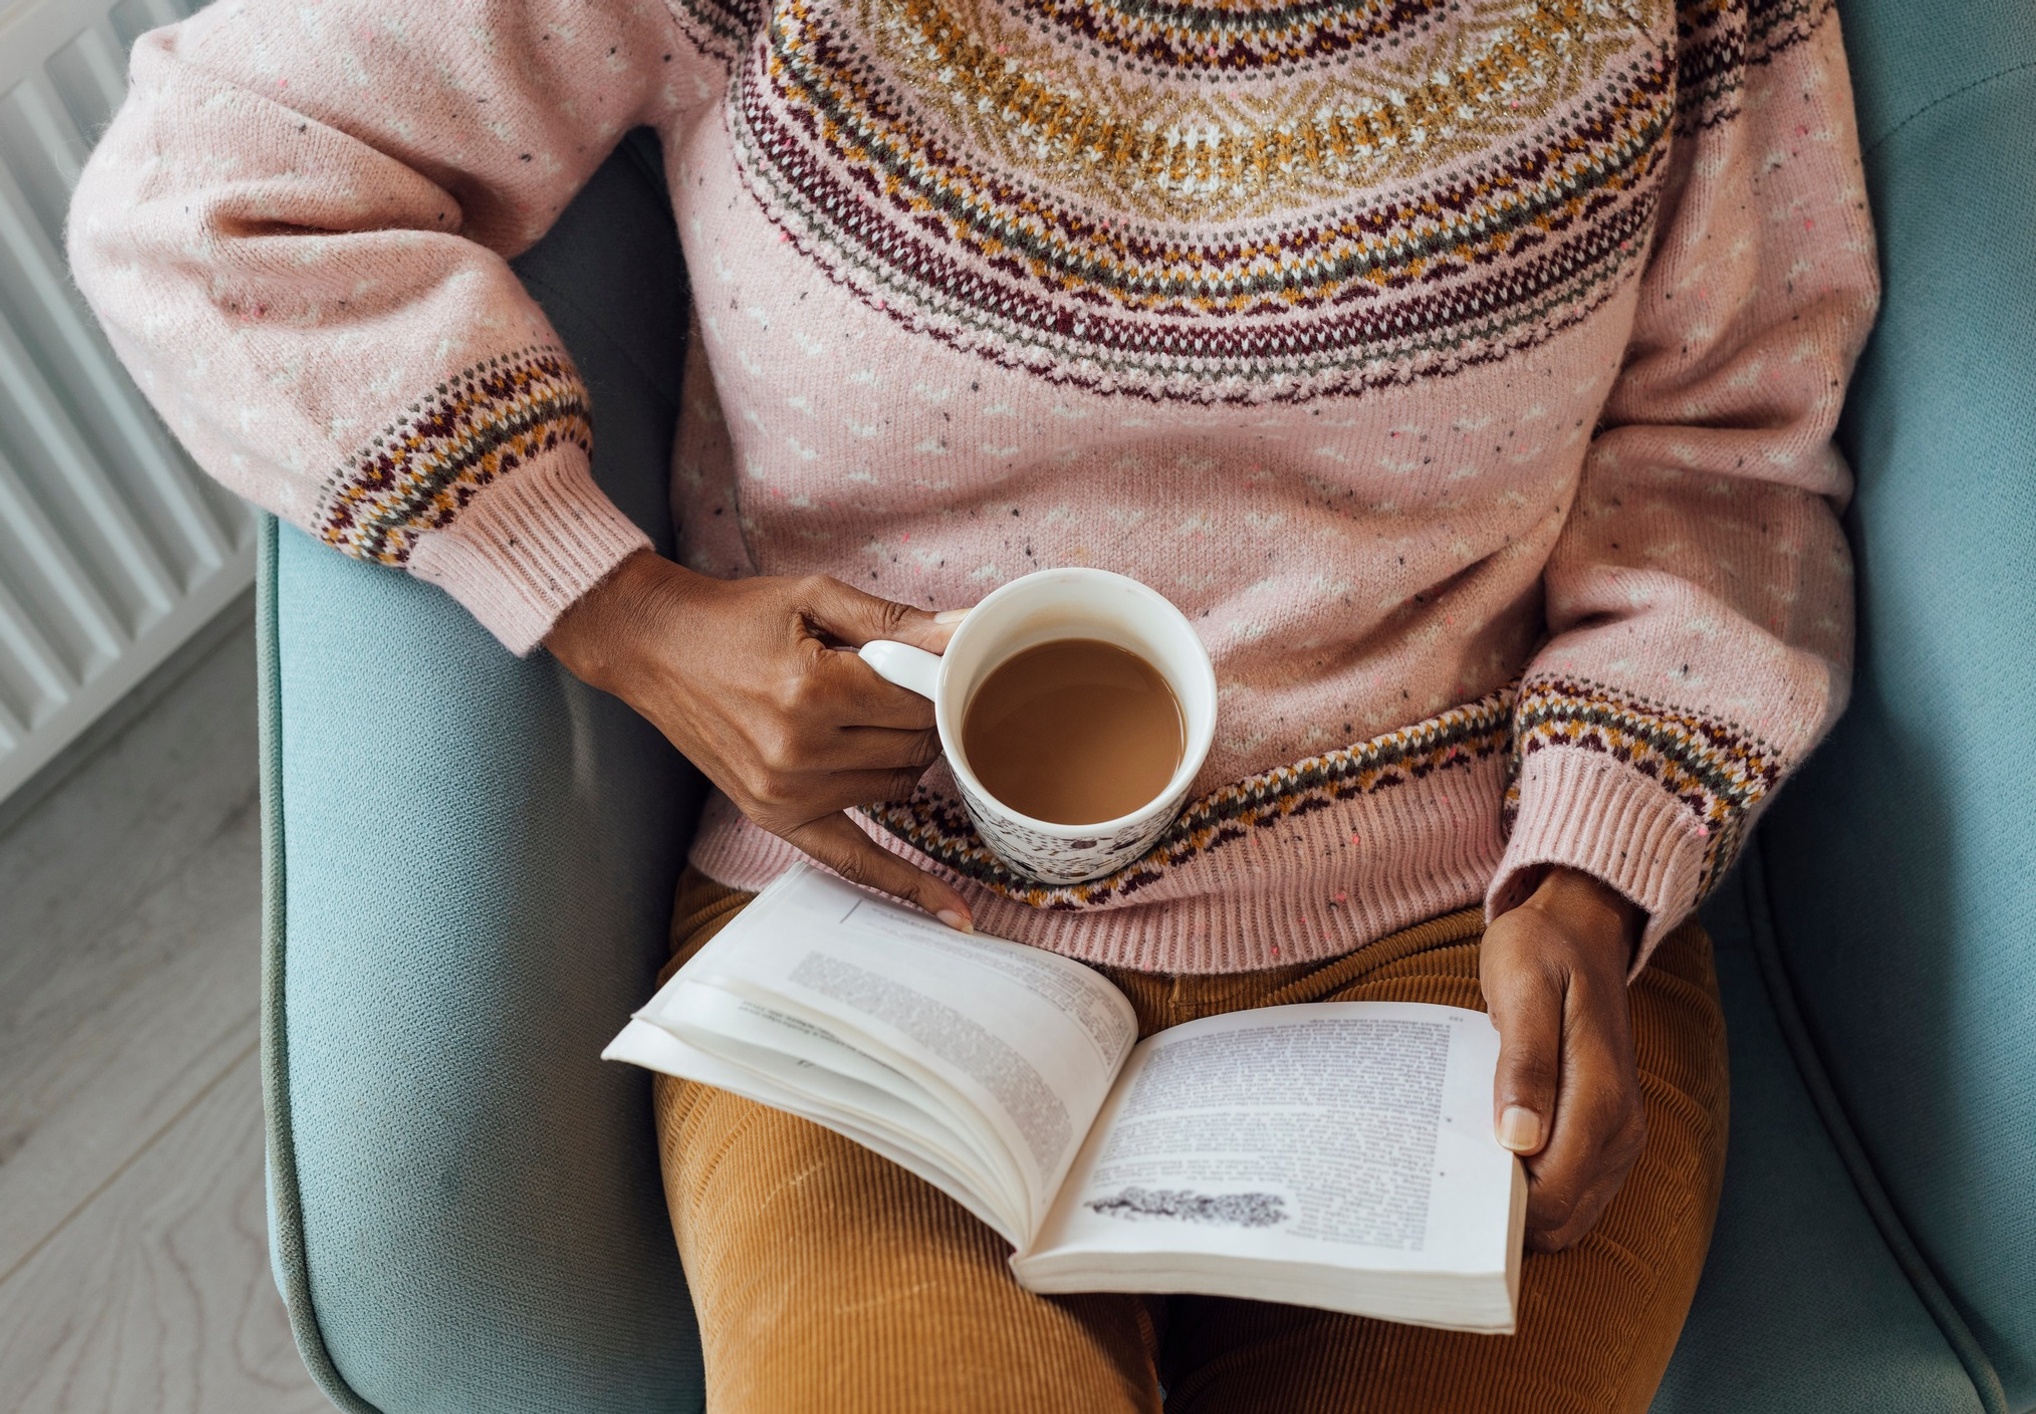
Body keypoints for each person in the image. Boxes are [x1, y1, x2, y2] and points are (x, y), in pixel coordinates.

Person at [69, 0, 1878, 1406]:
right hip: (878, 927)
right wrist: (621, 610)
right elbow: (205, 189)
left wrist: (1597, 868)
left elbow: (1726, 449)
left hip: (1465, 944)